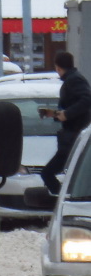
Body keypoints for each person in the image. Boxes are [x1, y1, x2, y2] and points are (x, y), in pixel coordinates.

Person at [39, 51, 91, 194]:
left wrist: (67, 114)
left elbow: (86, 100)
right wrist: (54, 114)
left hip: (74, 136)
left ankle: (62, 200)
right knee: (67, 175)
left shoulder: (74, 80)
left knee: (48, 173)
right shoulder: (73, 79)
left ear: (58, 68)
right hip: (72, 135)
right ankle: (65, 197)